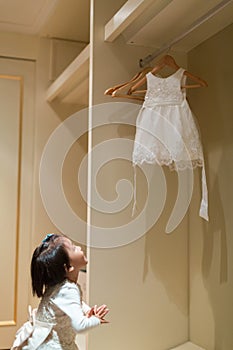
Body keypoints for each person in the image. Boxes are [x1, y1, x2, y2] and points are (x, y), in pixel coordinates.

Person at [11, 233, 109, 349]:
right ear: (68, 267)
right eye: (73, 248)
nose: (79, 247)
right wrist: (95, 320)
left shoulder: (58, 285)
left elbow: (72, 303)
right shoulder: (68, 289)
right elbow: (80, 325)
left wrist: (87, 310)